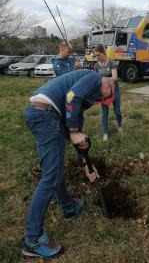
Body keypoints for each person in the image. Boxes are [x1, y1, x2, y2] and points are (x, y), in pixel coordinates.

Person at [22, 69, 115, 259]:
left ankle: (68, 206)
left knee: (54, 168)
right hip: (45, 114)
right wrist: (73, 130)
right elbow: (72, 97)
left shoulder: (84, 99)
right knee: (51, 177)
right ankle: (32, 239)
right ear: (108, 85)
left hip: (44, 114)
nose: (98, 101)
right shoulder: (94, 78)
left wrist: (85, 163)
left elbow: (75, 127)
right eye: (104, 98)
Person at [93, 44, 122, 141]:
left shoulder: (111, 63)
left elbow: (115, 77)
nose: (97, 57)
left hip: (115, 91)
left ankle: (119, 125)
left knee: (117, 111)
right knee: (105, 112)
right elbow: (96, 79)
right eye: (95, 56)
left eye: (98, 55)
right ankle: (105, 133)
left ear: (103, 53)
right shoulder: (96, 65)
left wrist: (105, 80)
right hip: (104, 94)